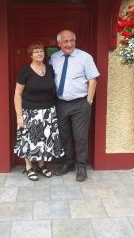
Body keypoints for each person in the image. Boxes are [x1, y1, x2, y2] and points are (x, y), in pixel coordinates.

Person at [50, 30, 100, 182]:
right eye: (65, 41)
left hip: (80, 103)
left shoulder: (85, 57)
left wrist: (89, 101)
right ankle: (68, 163)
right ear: (59, 43)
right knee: (64, 136)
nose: (69, 44)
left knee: (80, 137)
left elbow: (93, 80)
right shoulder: (54, 58)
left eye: (72, 40)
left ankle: (81, 166)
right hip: (60, 103)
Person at [14, 41, 65, 181]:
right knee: (29, 140)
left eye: (41, 51)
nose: (40, 53)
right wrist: (19, 116)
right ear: (31, 55)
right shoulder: (25, 71)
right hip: (30, 112)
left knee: (44, 140)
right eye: (36, 51)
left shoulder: (49, 69)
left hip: (48, 112)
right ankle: (29, 167)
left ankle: (42, 166)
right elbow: (17, 94)